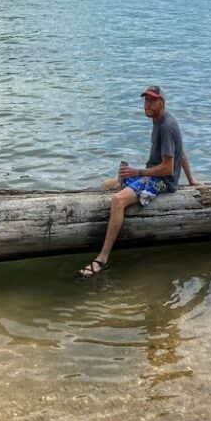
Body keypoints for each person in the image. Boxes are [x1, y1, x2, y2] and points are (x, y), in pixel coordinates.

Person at [79, 85, 196, 278]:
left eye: (152, 100)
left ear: (162, 102)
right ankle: (114, 185)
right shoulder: (159, 120)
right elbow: (180, 151)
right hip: (153, 174)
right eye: (145, 100)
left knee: (117, 200)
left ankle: (102, 259)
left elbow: (167, 168)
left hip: (162, 181)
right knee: (109, 182)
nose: (147, 104)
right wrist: (192, 180)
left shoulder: (166, 126)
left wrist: (139, 172)